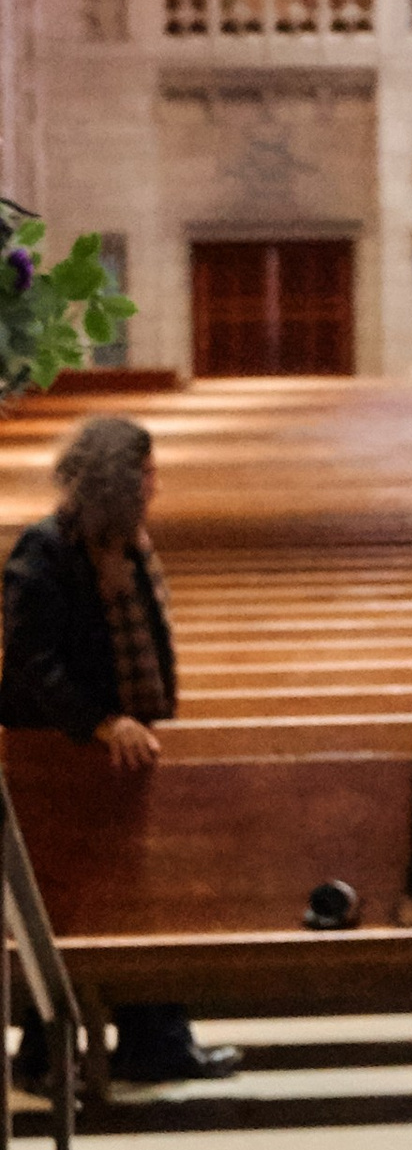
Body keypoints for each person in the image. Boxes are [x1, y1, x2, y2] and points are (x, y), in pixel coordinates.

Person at [2, 412, 241, 1095]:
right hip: (58, 757)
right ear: (116, 480)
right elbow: (30, 662)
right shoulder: (44, 551)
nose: (155, 485)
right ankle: (45, 1055)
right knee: (66, 905)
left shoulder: (127, 545)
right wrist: (102, 722)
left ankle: (155, 1041)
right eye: (145, 474)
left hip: (123, 756)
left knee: (142, 896)